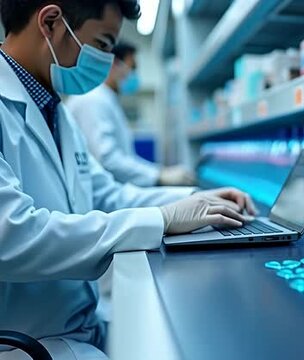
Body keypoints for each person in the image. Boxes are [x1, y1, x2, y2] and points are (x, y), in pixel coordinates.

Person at [0, 1, 257, 359]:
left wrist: (196, 199)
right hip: (27, 344)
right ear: (51, 22)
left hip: (76, 326)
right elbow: (11, 235)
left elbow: (105, 193)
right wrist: (162, 219)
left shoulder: (54, 110)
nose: (107, 60)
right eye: (103, 44)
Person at [67, 42, 195, 187]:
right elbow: (106, 158)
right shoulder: (93, 100)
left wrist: (158, 172)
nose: (134, 75)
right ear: (115, 63)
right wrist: (159, 175)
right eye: (132, 67)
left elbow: (124, 157)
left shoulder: (108, 99)